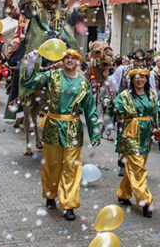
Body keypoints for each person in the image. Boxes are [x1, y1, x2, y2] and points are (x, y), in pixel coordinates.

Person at [21, 49, 101, 221]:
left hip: (73, 128)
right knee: (52, 165)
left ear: (78, 61)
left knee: (71, 168)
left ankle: (69, 205)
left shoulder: (83, 83)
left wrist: (95, 132)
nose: (70, 60)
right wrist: (29, 65)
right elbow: (31, 82)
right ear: (62, 60)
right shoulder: (52, 76)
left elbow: (90, 109)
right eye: (66, 57)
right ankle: (50, 194)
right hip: (53, 127)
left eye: (73, 57)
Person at [111, 67, 160, 218]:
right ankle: (145, 202)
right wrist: (116, 112)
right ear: (132, 80)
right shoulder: (124, 96)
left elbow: (157, 115)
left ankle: (123, 193)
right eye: (137, 77)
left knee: (135, 167)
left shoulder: (151, 95)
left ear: (146, 79)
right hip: (130, 134)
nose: (140, 80)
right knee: (138, 169)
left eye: (143, 77)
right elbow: (113, 109)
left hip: (145, 136)